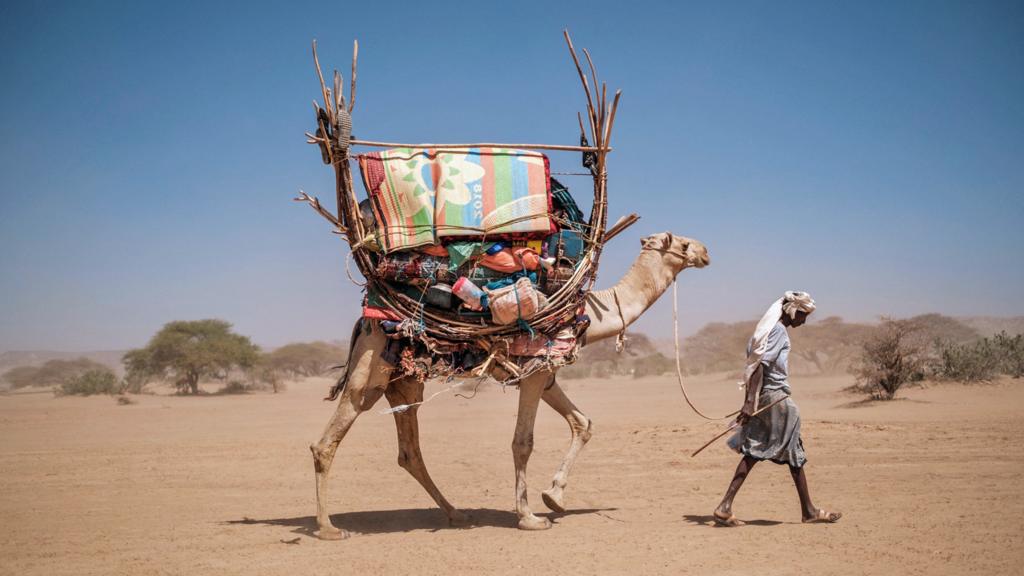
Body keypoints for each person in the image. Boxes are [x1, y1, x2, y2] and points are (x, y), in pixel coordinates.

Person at [713, 291, 842, 526]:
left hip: (768, 397)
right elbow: (760, 365)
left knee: (755, 451)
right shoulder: (778, 332)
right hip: (777, 400)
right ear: (792, 310)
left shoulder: (769, 330)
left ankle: (725, 506)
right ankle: (809, 511)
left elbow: (754, 366)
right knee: (792, 453)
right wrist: (749, 403)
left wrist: (751, 401)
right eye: (803, 315)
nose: (803, 321)